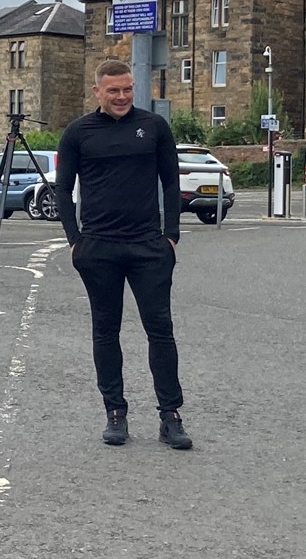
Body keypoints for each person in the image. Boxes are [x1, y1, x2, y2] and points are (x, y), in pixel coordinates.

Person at [54, 59, 192, 450]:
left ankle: (171, 415)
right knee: (105, 330)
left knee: (160, 330)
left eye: (128, 89)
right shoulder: (79, 133)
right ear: (97, 91)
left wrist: (171, 236)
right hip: (98, 247)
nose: (122, 97)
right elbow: (63, 190)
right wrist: (74, 240)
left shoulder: (154, 127)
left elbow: (170, 181)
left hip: (148, 246)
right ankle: (115, 412)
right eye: (113, 90)